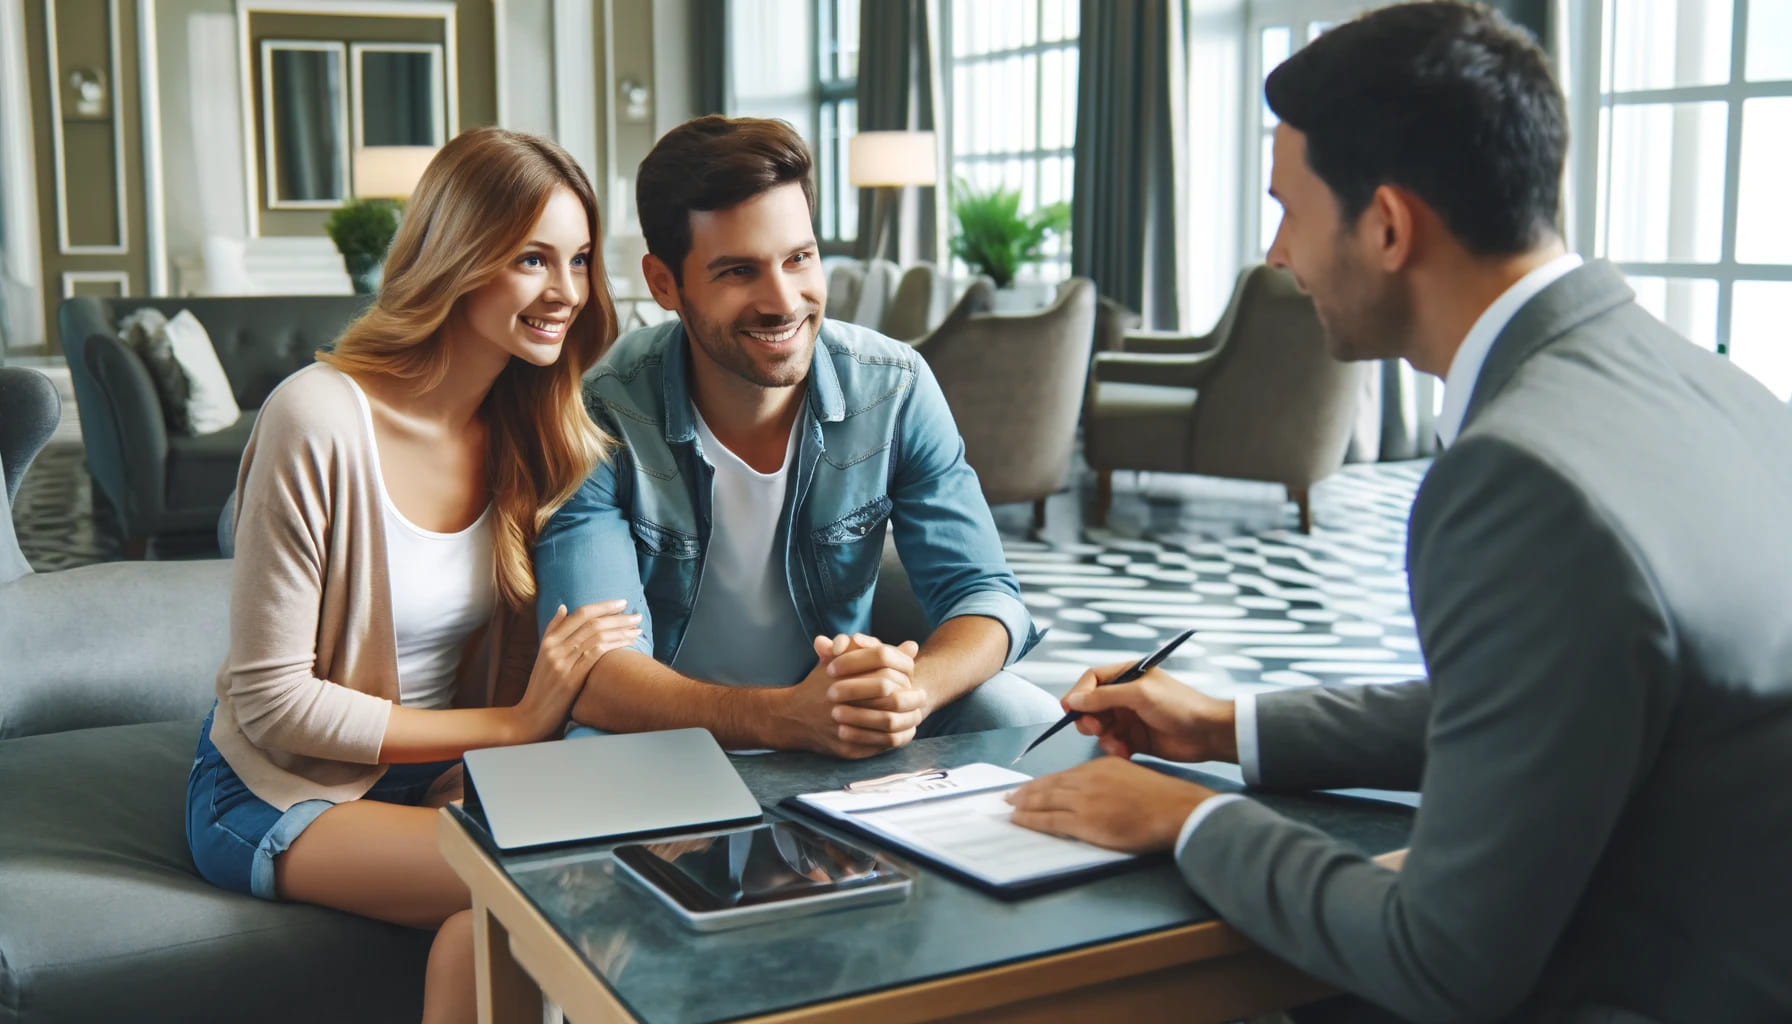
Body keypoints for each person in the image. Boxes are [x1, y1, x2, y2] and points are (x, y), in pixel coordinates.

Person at [1007, 3, 1792, 1021]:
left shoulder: (1520, 477)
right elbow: (1550, 697)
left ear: (1385, 225)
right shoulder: (1713, 386)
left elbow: (1442, 964)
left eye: (1286, 208)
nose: (1278, 255)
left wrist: (1186, 820)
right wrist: (1223, 724)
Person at [184, 127, 641, 1024]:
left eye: (581, 260)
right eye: (532, 259)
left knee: (508, 914)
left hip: (444, 773)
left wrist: (497, 756)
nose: (567, 292)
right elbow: (274, 702)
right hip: (282, 787)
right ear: (458, 259)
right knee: (535, 887)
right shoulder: (314, 419)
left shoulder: (534, 427)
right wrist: (512, 726)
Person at [535, 115, 1059, 758]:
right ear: (664, 283)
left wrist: (908, 696)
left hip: (837, 726)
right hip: (670, 732)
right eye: (737, 272)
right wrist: (783, 716)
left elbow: (984, 595)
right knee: (589, 755)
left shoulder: (893, 389)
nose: (783, 301)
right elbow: (596, 676)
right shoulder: (602, 409)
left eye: (798, 258)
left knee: (1026, 713)